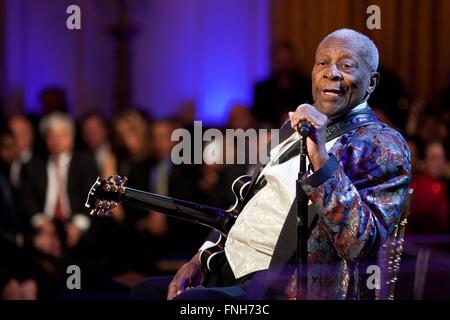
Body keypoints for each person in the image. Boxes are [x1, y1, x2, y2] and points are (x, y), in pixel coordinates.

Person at [130, 29, 411, 300]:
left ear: (371, 82)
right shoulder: (291, 127)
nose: (332, 72)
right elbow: (243, 205)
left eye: (346, 65)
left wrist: (320, 157)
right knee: (146, 292)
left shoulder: (382, 144)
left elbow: (360, 243)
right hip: (230, 267)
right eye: (323, 62)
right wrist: (200, 259)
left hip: (283, 285)